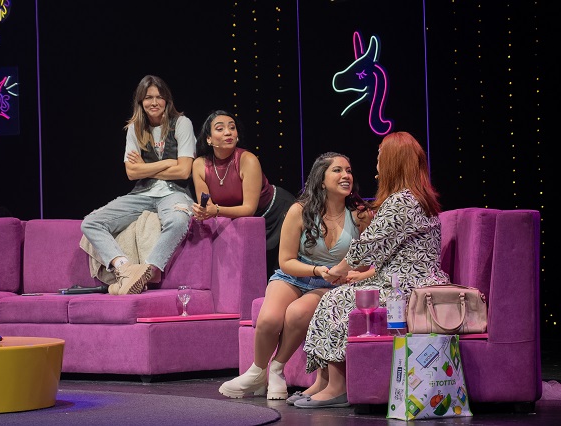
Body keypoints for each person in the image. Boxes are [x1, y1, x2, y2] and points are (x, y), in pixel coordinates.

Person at [293, 131, 450, 409]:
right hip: (399, 279)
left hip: (410, 289)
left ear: (391, 162)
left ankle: (338, 388)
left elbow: (367, 247)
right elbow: (393, 254)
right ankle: (323, 381)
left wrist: (338, 270)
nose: (376, 163)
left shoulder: (402, 201)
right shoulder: (413, 198)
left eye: (380, 157)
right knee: (335, 296)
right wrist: (362, 275)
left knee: (336, 299)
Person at [218, 152, 373, 400]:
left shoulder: (360, 215)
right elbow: (286, 261)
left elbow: (367, 261)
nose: (346, 175)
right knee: (269, 319)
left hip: (331, 284)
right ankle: (257, 372)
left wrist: (348, 274)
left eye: (349, 171)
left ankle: (276, 369)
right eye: (337, 170)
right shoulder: (299, 211)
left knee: (297, 312)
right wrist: (316, 270)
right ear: (321, 180)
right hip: (295, 275)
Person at [80, 75, 196, 295]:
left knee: (179, 220)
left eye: (159, 97)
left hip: (174, 192)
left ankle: (148, 271)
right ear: (141, 102)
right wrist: (167, 163)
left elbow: (183, 171)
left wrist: (146, 166)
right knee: (91, 222)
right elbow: (132, 173)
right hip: (143, 192)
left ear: (167, 100)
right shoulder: (135, 128)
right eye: (148, 98)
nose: (154, 102)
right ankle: (125, 269)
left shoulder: (182, 123)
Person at [191, 110, 295, 277]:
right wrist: (203, 211)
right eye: (220, 129)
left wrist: (215, 210)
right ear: (208, 139)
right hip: (244, 223)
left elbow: (249, 209)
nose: (228, 132)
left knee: (279, 274)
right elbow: (207, 206)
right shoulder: (199, 165)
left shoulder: (248, 159)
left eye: (232, 128)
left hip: (277, 214)